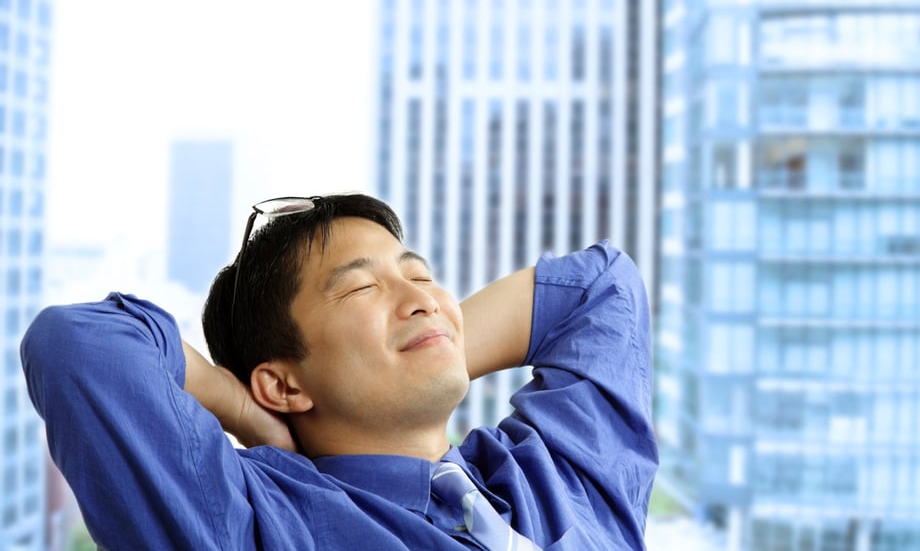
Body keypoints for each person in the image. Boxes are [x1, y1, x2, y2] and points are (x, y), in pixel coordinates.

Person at [22, 193, 657, 550]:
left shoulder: (561, 476)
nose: (421, 297)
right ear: (282, 384)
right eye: (360, 289)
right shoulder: (256, 523)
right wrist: (244, 411)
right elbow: (79, 347)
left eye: (419, 275)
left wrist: (433, 341)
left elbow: (602, 290)